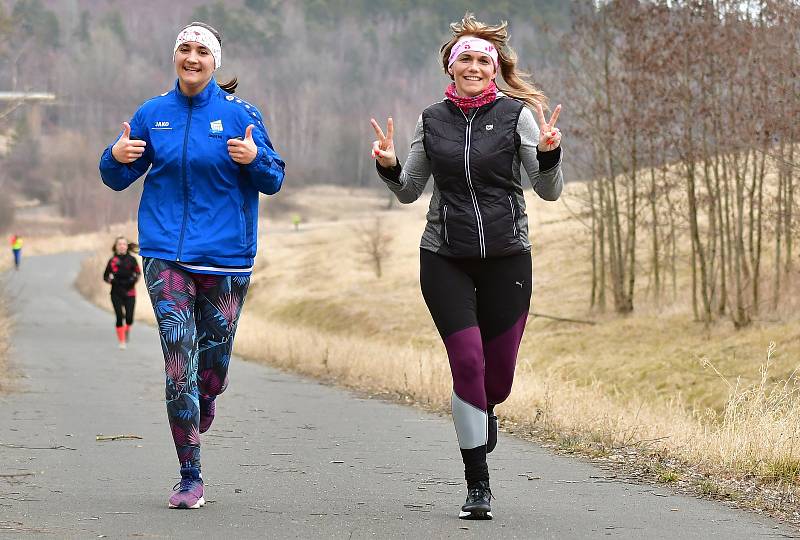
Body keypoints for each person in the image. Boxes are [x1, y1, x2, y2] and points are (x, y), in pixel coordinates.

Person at [370, 12, 563, 520]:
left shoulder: (518, 115)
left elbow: (548, 191)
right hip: (444, 257)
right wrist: (388, 166)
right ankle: (477, 483)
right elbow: (409, 192)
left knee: (496, 382)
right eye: (466, 59)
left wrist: (549, 156)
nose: (475, 66)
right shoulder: (431, 120)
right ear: (450, 68)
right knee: (468, 365)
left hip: (507, 258)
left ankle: (484, 411)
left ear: (495, 68)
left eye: (483, 59)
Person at [99, 21, 285, 509]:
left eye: (203, 50)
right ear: (175, 57)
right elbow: (118, 176)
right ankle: (189, 475)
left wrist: (252, 158)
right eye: (185, 48)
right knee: (178, 362)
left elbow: (273, 178)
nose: (193, 57)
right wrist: (114, 157)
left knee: (214, 364)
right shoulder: (152, 114)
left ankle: (209, 394)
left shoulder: (241, 114)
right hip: (166, 255)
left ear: (216, 61)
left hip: (226, 257)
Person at [103, 236, 141, 349]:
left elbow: (138, 274)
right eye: (119, 244)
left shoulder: (132, 260)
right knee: (119, 316)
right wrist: (111, 280)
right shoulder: (112, 261)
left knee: (129, 318)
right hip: (116, 292)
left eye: (124, 244)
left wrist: (133, 279)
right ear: (116, 246)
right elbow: (105, 276)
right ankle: (122, 341)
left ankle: (126, 330)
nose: (122, 246)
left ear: (127, 246)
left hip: (130, 292)